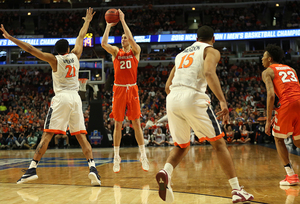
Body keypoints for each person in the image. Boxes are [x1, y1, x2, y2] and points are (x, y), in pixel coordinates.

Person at [1, 8, 101, 186]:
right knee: (80, 136)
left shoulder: (54, 60)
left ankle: (32, 169)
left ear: (56, 51)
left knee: (47, 135)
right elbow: (81, 36)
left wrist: (10, 38)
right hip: (76, 99)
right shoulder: (76, 55)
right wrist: (86, 21)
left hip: (61, 98)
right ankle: (93, 168)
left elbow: (31, 49)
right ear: (68, 49)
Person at [156, 26, 254, 203]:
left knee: (182, 145)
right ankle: (236, 190)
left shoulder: (180, 55)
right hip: (192, 97)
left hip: (172, 99)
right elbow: (209, 73)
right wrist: (223, 101)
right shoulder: (211, 51)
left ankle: (166, 172)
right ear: (213, 38)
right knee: (219, 144)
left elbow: (166, 86)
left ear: (196, 38)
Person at [101, 9, 149, 173]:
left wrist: (122, 21)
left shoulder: (136, 51)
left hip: (132, 89)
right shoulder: (116, 52)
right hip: (119, 90)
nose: (123, 39)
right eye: (121, 38)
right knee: (118, 124)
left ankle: (143, 155)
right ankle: (116, 156)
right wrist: (108, 26)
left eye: (125, 37)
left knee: (136, 123)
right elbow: (103, 44)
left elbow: (131, 38)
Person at [262, 44, 300, 186]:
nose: (262, 59)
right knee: (297, 141)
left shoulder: (267, 71)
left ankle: (291, 176)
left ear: (270, 59)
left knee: (278, 138)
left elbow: (271, 95)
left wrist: (268, 120)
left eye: (263, 57)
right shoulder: (291, 69)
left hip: (287, 104)